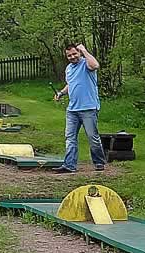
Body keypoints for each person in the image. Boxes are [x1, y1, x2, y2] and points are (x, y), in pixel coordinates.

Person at [52, 44, 107, 173]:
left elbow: (96, 66)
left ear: (79, 53)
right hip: (72, 110)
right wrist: (61, 93)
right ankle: (69, 165)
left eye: (74, 54)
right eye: (69, 55)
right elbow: (70, 84)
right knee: (70, 137)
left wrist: (84, 51)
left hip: (89, 108)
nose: (72, 57)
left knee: (92, 137)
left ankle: (99, 162)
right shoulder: (69, 69)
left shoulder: (86, 64)